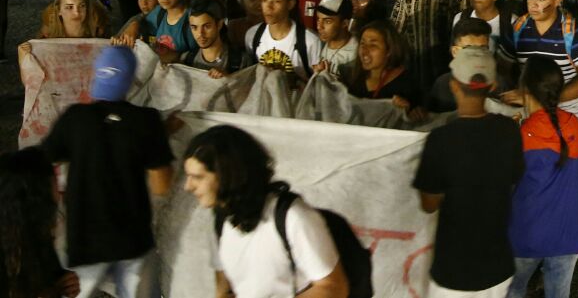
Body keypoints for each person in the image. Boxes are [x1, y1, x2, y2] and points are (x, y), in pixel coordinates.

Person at [43, 46, 174, 298]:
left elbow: (43, 160)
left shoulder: (74, 118)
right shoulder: (147, 121)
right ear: (130, 80)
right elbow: (162, 185)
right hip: (133, 239)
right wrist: (159, 139)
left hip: (84, 239)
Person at [181, 125, 349, 298]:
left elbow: (333, 287)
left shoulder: (293, 217)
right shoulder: (222, 219)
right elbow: (225, 289)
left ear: (227, 175)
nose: (188, 187)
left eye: (198, 177)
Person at [413, 46, 524, 298]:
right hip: (498, 262)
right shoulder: (509, 131)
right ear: (492, 85)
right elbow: (513, 180)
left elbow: (429, 204)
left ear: (453, 85)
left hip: (453, 268)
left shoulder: (440, 140)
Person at [507, 57, 578, 298]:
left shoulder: (523, 133)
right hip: (569, 231)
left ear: (525, 89)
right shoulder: (574, 126)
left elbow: (510, 182)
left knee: (513, 289)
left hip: (528, 232)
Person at [498, 0, 578, 120]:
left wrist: (539, 100)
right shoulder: (518, 29)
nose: (533, 5)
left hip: (568, 119)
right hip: (529, 118)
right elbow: (503, 68)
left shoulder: (575, 33)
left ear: (557, 0)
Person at [0, 147, 80, 297]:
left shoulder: (36, 232)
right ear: (38, 192)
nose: (60, 186)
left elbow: (53, 278)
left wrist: (67, 282)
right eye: (54, 178)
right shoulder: (6, 247)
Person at [244, 0, 323, 82]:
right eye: (264, 0)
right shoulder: (252, 35)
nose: (269, 7)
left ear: (290, 4)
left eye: (276, 1)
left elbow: (318, 84)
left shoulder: (310, 41)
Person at [116, 0, 196, 62]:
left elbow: (199, 59)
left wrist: (176, 56)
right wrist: (134, 25)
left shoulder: (192, 22)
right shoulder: (160, 13)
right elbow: (142, 22)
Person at [344, 19, 424, 114]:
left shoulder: (407, 84)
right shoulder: (351, 78)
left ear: (389, 50)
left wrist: (408, 110)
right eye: (362, 44)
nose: (364, 51)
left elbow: (418, 115)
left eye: (373, 45)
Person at [181, 0, 242, 75]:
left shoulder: (240, 61)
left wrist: (230, 78)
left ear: (219, 24)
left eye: (207, 26)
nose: (200, 33)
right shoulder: (186, 60)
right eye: (194, 27)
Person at [313, 0, 357, 78]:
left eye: (327, 21)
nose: (319, 26)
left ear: (344, 23)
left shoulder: (356, 53)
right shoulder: (318, 44)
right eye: (318, 19)